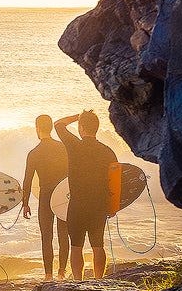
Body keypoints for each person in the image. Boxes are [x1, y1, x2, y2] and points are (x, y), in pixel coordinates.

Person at [54, 111, 117, 280]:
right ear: (97, 128)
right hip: (99, 206)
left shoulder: (74, 144)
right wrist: (113, 206)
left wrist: (77, 116)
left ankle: (78, 282)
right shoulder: (108, 151)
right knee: (98, 245)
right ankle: (99, 281)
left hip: (77, 205)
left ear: (81, 128)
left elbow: (58, 124)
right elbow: (115, 181)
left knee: (76, 246)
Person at [21, 114, 70, 280]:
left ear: (38, 129)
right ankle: (62, 273)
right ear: (50, 127)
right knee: (63, 234)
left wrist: (25, 203)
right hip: (63, 195)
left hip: (46, 196)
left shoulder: (34, 153)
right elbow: (72, 174)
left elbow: (27, 180)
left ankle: (48, 275)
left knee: (46, 236)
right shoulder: (63, 147)